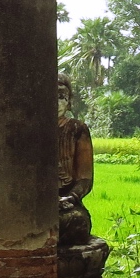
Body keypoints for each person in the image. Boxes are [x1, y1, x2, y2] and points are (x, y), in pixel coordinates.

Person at [56, 72, 94, 244]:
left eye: (61, 97)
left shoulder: (77, 130)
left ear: (69, 101)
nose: (56, 102)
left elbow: (85, 179)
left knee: (76, 224)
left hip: (66, 203)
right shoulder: (30, 129)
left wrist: (70, 198)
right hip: (36, 203)